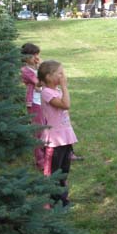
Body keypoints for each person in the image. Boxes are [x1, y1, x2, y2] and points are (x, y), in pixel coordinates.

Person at [38, 60, 78, 208]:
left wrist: (62, 89)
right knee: (54, 172)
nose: (63, 76)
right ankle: (54, 202)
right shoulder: (47, 92)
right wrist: (65, 86)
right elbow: (66, 105)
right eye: (60, 73)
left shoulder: (57, 91)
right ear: (49, 77)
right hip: (54, 140)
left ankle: (63, 200)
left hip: (64, 138)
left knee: (64, 170)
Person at [20, 42, 44, 171]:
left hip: (43, 101)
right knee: (38, 131)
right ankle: (40, 161)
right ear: (26, 57)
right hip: (34, 103)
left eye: (37, 54)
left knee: (47, 129)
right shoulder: (26, 71)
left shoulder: (35, 68)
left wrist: (40, 67)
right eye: (34, 55)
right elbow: (39, 83)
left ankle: (49, 155)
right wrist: (41, 69)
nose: (36, 57)